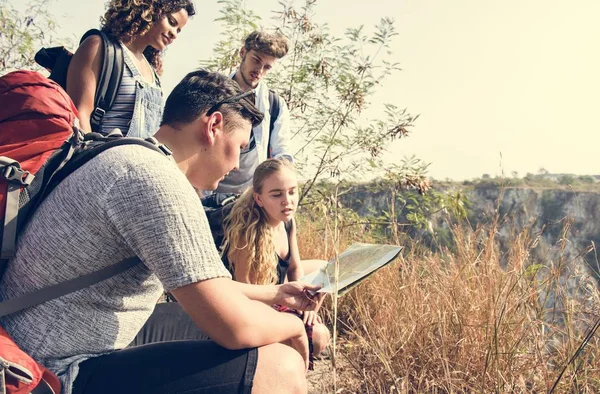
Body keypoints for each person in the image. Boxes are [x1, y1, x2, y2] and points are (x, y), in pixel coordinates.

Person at [0, 70, 321, 394]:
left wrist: (277, 294)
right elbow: (233, 327)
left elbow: (213, 287)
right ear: (213, 126)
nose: (238, 165)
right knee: (280, 367)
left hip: (39, 337)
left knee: (223, 328)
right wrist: (293, 325)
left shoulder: (127, 153)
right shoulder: (157, 182)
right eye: (240, 145)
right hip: (50, 370)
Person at [222, 158, 330, 357]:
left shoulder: (287, 221)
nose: (287, 200)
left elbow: (294, 268)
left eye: (292, 191)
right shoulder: (248, 232)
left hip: (279, 290)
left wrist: (306, 307)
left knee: (327, 270)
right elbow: (243, 295)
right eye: (276, 194)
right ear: (259, 199)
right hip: (259, 301)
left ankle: (303, 325)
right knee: (319, 337)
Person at [66, 0, 195, 137]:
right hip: (100, 155)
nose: (174, 34)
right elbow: (79, 114)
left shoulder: (153, 73)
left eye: (178, 30)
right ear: (151, 11)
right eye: (171, 22)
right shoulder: (99, 47)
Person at [213, 30, 294, 195]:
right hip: (209, 196)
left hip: (251, 201)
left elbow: (282, 154)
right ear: (243, 53)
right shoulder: (213, 93)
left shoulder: (274, 105)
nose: (260, 70)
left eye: (267, 67)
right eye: (256, 60)